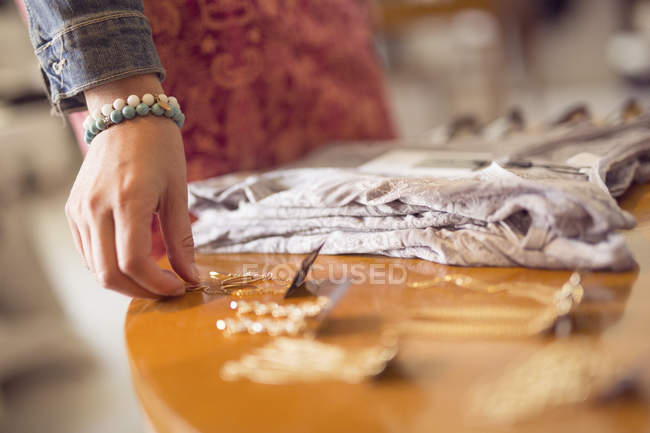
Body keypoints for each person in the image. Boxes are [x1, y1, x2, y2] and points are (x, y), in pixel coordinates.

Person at [21, 0, 395, 298]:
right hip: (180, 47)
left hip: (325, 30)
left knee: (382, 262)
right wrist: (121, 98)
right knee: (234, 310)